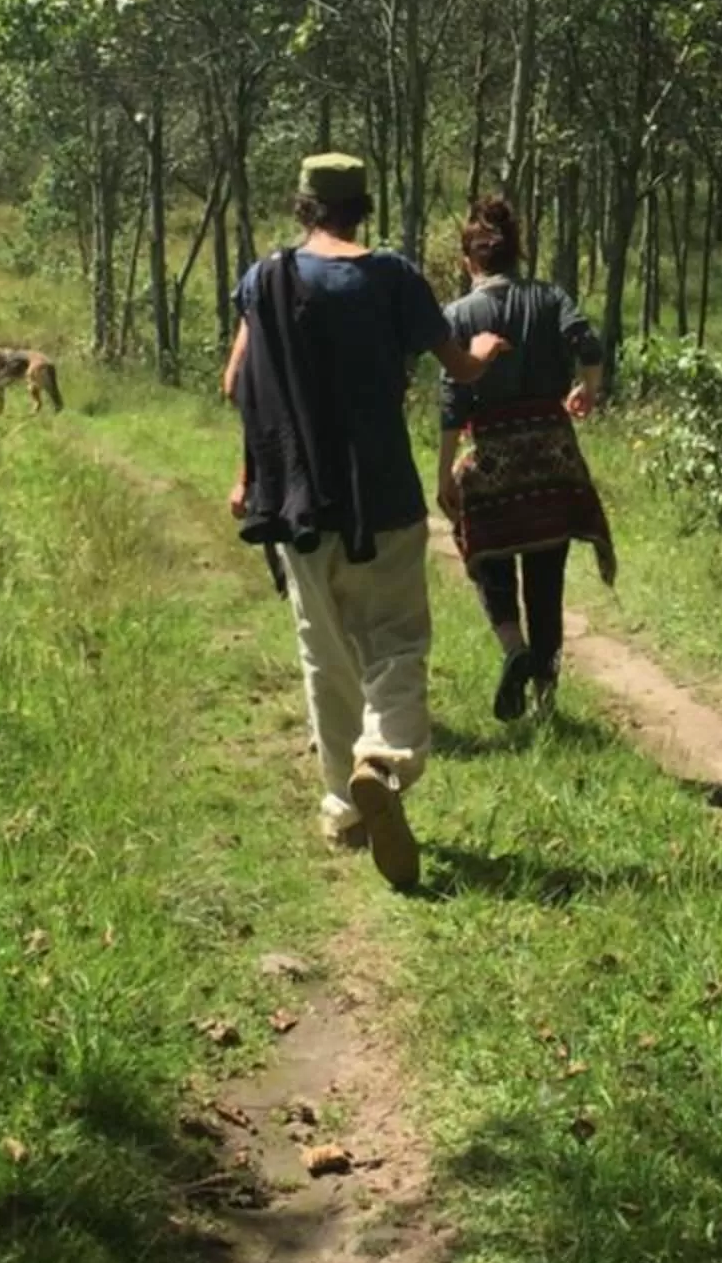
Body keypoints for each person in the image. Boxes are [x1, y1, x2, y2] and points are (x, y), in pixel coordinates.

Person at [225, 154, 510, 893]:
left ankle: (342, 809)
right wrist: (480, 351)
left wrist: (248, 473)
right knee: (397, 641)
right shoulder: (392, 277)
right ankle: (381, 760)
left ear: (302, 206)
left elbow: (235, 382)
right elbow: (460, 365)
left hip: (295, 501)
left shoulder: (265, 279)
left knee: (324, 652)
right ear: (365, 206)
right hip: (380, 493)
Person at [436, 195, 617, 720]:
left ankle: (514, 649)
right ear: (516, 253)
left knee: (487, 557)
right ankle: (545, 698)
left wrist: (445, 469)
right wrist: (588, 387)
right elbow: (588, 344)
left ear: (470, 260)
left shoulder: (460, 314)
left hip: (492, 456)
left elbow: (452, 399)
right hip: (552, 458)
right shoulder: (550, 297)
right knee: (547, 577)